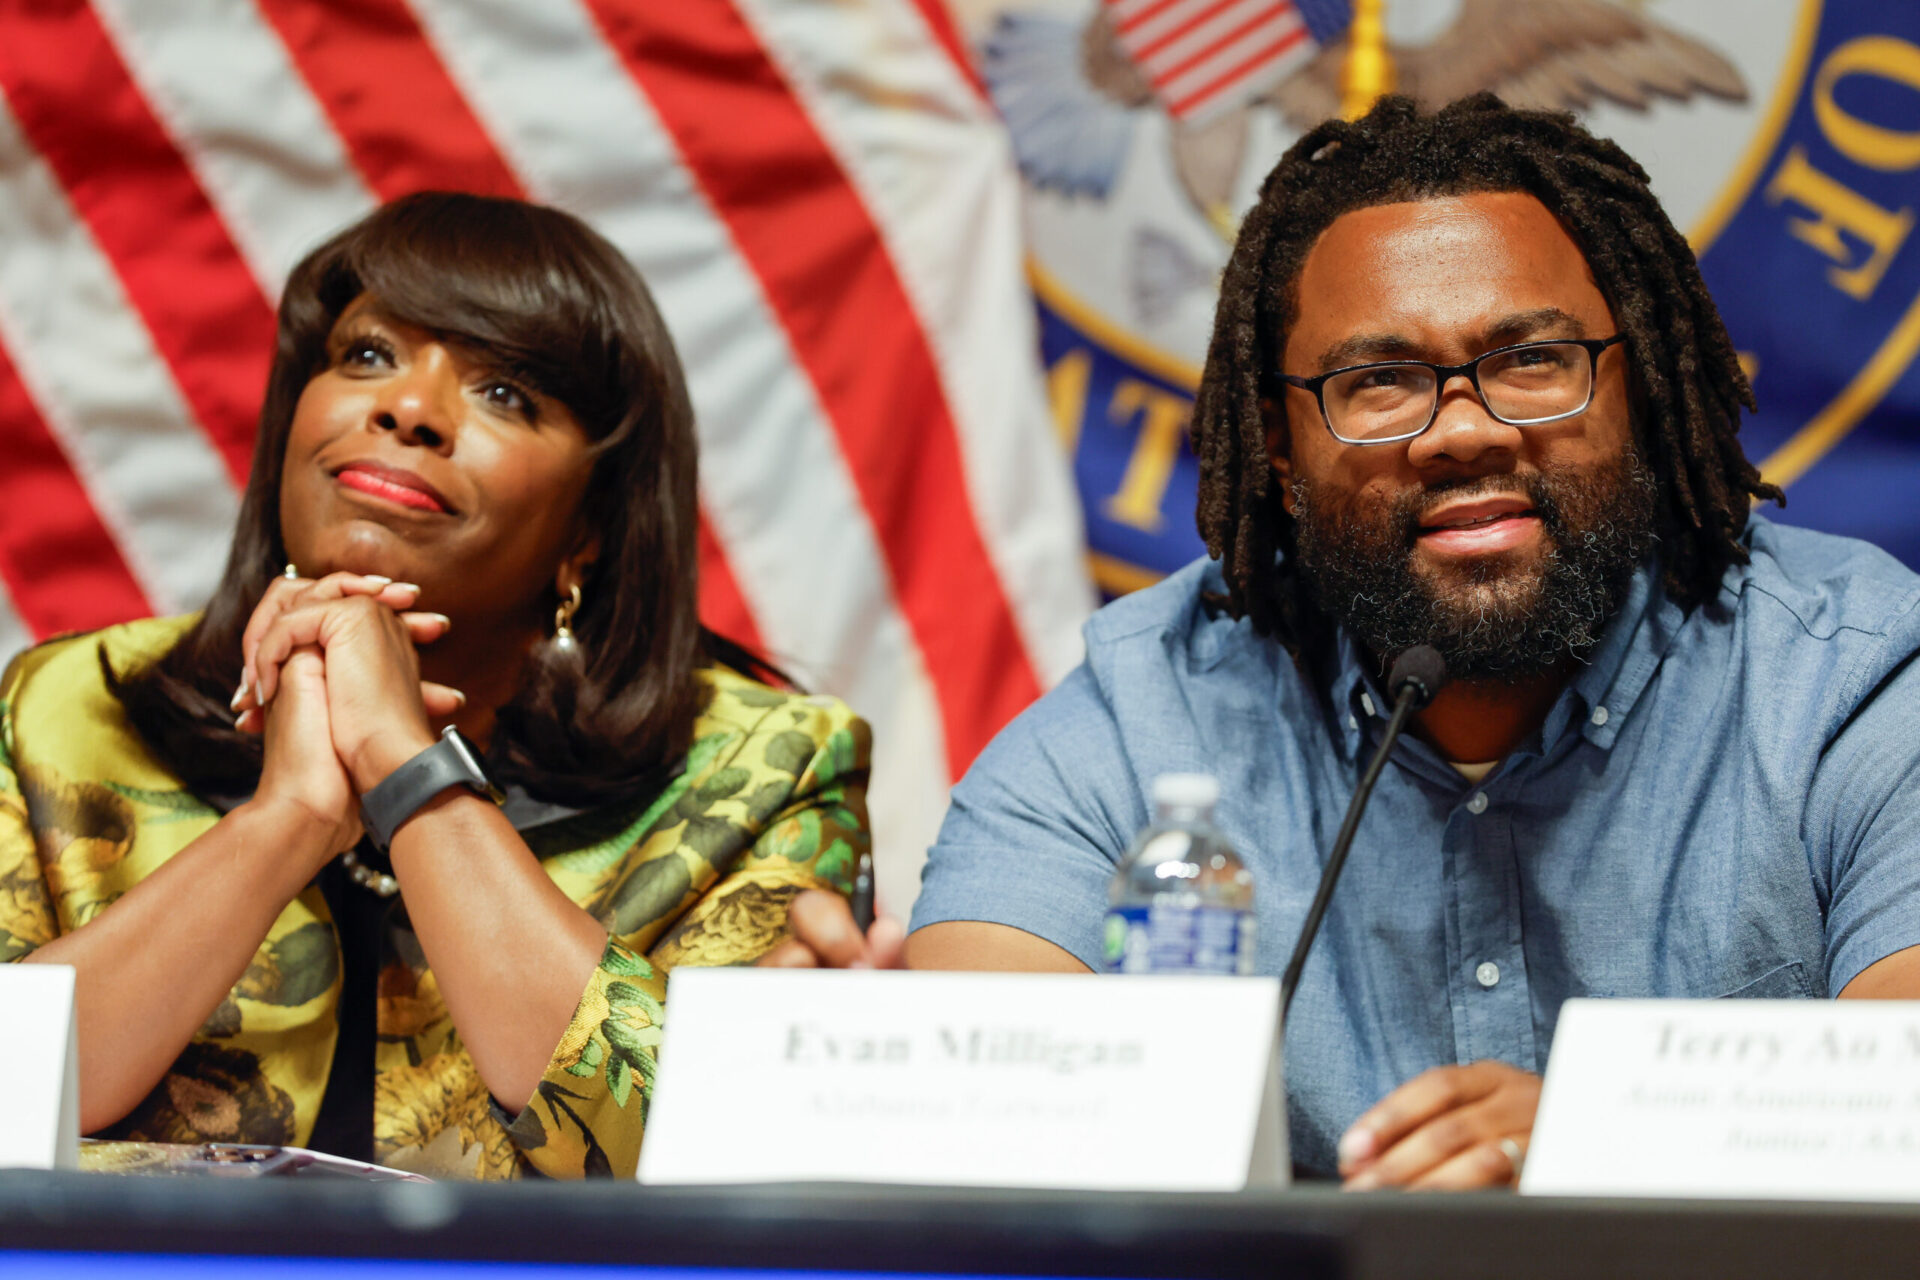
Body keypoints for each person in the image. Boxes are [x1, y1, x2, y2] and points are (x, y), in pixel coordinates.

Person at [786, 95, 1920, 1186]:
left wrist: (1613, 1138)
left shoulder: (1849, 680)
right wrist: (904, 1078)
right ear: (1281, 450)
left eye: (1532, 360)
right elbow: (991, 1089)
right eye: (1378, 382)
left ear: (1637, 394)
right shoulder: (1141, 723)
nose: (1464, 432)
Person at [0, 192, 870, 1179]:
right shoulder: (67, 709)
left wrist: (406, 767)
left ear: (589, 527)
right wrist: (289, 819)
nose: (409, 408)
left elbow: (704, 1157)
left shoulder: (765, 771)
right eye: (368, 354)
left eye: (507, 393)